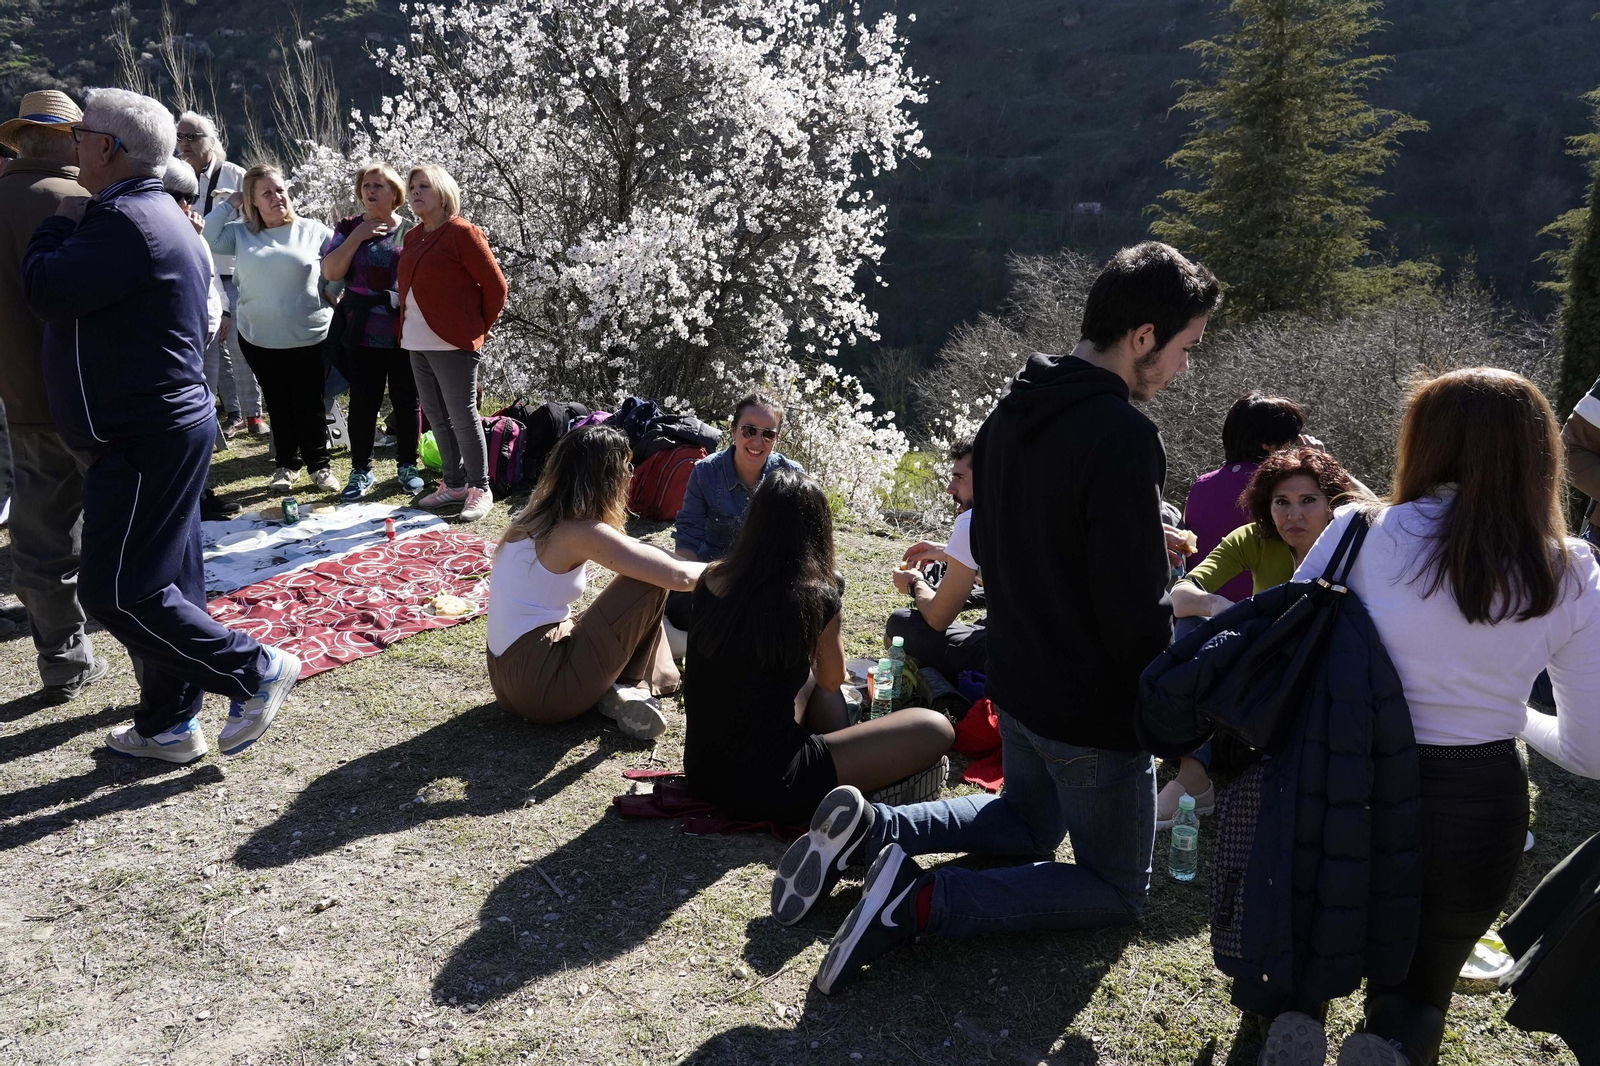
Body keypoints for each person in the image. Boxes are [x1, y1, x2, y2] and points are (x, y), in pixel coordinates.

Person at [773, 242, 1221, 994]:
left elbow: (995, 548)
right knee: (1115, 887)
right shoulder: (1122, 435)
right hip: (1089, 708)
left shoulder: (1011, 410)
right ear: (1143, 336)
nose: (1184, 368)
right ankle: (919, 903)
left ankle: (877, 829)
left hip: (1016, 681)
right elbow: (1130, 604)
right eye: (1184, 348)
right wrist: (1165, 702)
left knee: (1023, 823)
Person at [1248, 368, 1600, 1066]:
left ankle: (1294, 1024)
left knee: (1305, 940)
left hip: (1342, 778)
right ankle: (1387, 1046)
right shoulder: (1573, 569)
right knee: (1417, 994)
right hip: (1476, 802)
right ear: (1538, 456)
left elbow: (1280, 654)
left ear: (1422, 443)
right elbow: (1592, 753)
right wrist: (1507, 713)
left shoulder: (1355, 529)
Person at [23, 87, 300, 762]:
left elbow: (46, 288)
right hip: (163, 425)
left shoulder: (121, 222)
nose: (74, 144)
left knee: (116, 588)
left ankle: (253, 670)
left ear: (110, 149)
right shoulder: (156, 211)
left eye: (83, 135)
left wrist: (57, 222)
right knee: (166, 582)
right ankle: (169, 723)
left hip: (142, 434)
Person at [687, 469, 954, 837]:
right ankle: (850, 769)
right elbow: (833, 679)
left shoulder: (712, 577)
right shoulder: (815, 598)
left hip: (703, 772)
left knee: (804, 681)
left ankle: (841, 758)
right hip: (771, 785)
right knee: (935, 726)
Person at [1160, 447, 1363, 826]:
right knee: (1194, 626)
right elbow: (1180, 595)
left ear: (1333, 504)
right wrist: (1219, 607)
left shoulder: (1355, 549)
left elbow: (1383, 515)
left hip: (1319, 688)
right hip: (1256, 686)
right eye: (1281, 502)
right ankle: (1193, 775)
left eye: (1308, 500)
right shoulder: (1256, 539)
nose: (1294, 514)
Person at [487, 424, 697, 740]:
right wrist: (736, 570)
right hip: (543, 688)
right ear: (606, 478)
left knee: (647, 569)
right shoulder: (579, 531)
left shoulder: (535, 515)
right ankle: (630, 686)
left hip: (506, 680)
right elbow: (678, 577)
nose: (630, 475)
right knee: (651, 581)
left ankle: (615, 688)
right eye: (626, 467)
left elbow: (643, 553)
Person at [0, 89, 106, 705]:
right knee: (128, 527)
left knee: (41, 538)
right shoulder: (87, 203)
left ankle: (62, 656)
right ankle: (157, 665)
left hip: (23, 402)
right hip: (96, 400)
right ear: (70, 139)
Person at [204, 164, 336, 494]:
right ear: (253, 200)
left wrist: (337, 292)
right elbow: (207, 236)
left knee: (311, 403)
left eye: (280, 190)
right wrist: (230, 202)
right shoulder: (240, 232)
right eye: (267, 192)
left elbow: (341, 261)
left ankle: (319, 466)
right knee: (278, 402)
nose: (277, 197)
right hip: (260, 338)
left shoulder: (311, 229)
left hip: (311, 334)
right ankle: (286, 467)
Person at [398, 164, 506, 522]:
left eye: (423, 186)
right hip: (416, 340)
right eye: (412, 186)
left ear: (443, 192)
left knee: (462, 416)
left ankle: (480, 487)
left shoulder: (462, 233)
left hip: (454, 344)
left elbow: (496, 288)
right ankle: (454, 483)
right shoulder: (413, 236)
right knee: (435, 416)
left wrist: (476, 330)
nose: (414, 192)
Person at [320, 162, 422, 498]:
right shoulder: (348, 227)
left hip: (401, 329)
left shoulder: (411, 231)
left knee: (407, 401)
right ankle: (360, 471)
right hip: (360, 331)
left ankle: (408, 465)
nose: (370, 191)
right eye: (366, 185)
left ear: (395, 194)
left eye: (378, 185)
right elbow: (332, 272)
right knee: (364, 402)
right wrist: (357, 237)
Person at [666, 392, 805, 634]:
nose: (758, 442)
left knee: (828, 588)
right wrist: (690, 581)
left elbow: (802, 542)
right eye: (749, 431)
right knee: (679, 605)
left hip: (769, 579)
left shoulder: (791, 475)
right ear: (733, 430)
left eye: (768, 435)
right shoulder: (705, 473)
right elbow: (688, 537)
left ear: (776, 439)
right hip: (715, 576)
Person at [174, 110, 264, 439]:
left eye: (191, 137)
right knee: (209, 342)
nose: (183, 144)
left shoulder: (235, 176)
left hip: (231, 270)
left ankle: (255, 414)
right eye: (179, 137)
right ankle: (232, 413)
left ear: (210, 142)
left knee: (238, 342)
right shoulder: (175, 176)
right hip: (192, 269)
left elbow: (256, 219)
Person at [161, 156, 240, 523]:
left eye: (191, 198)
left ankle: (203, 490)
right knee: (186, 421)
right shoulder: (160, 230)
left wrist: (223, 311)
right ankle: (190, 495)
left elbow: (210, 277)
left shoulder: (194, 230)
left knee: (204, 415)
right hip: (180, 340)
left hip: (207, 332)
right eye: (181, 198)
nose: (188, 207)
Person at [1183, 392, 1306, 601]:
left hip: (1198, 608)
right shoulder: (1282, 488)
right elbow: (1366, 512)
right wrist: (1319, 463)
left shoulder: (1201, 484)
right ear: (1268, 445)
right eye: (1290, 442)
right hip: (1256, 619)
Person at [884, 436, 985, 685]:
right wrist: (948, 551)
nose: (950, 488)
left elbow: (939, 618)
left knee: (899, 625)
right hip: (1048, 650)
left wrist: (915, 583)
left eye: (959, 478)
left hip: (1011, 661)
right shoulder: (1020, 509)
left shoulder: (971, 522)